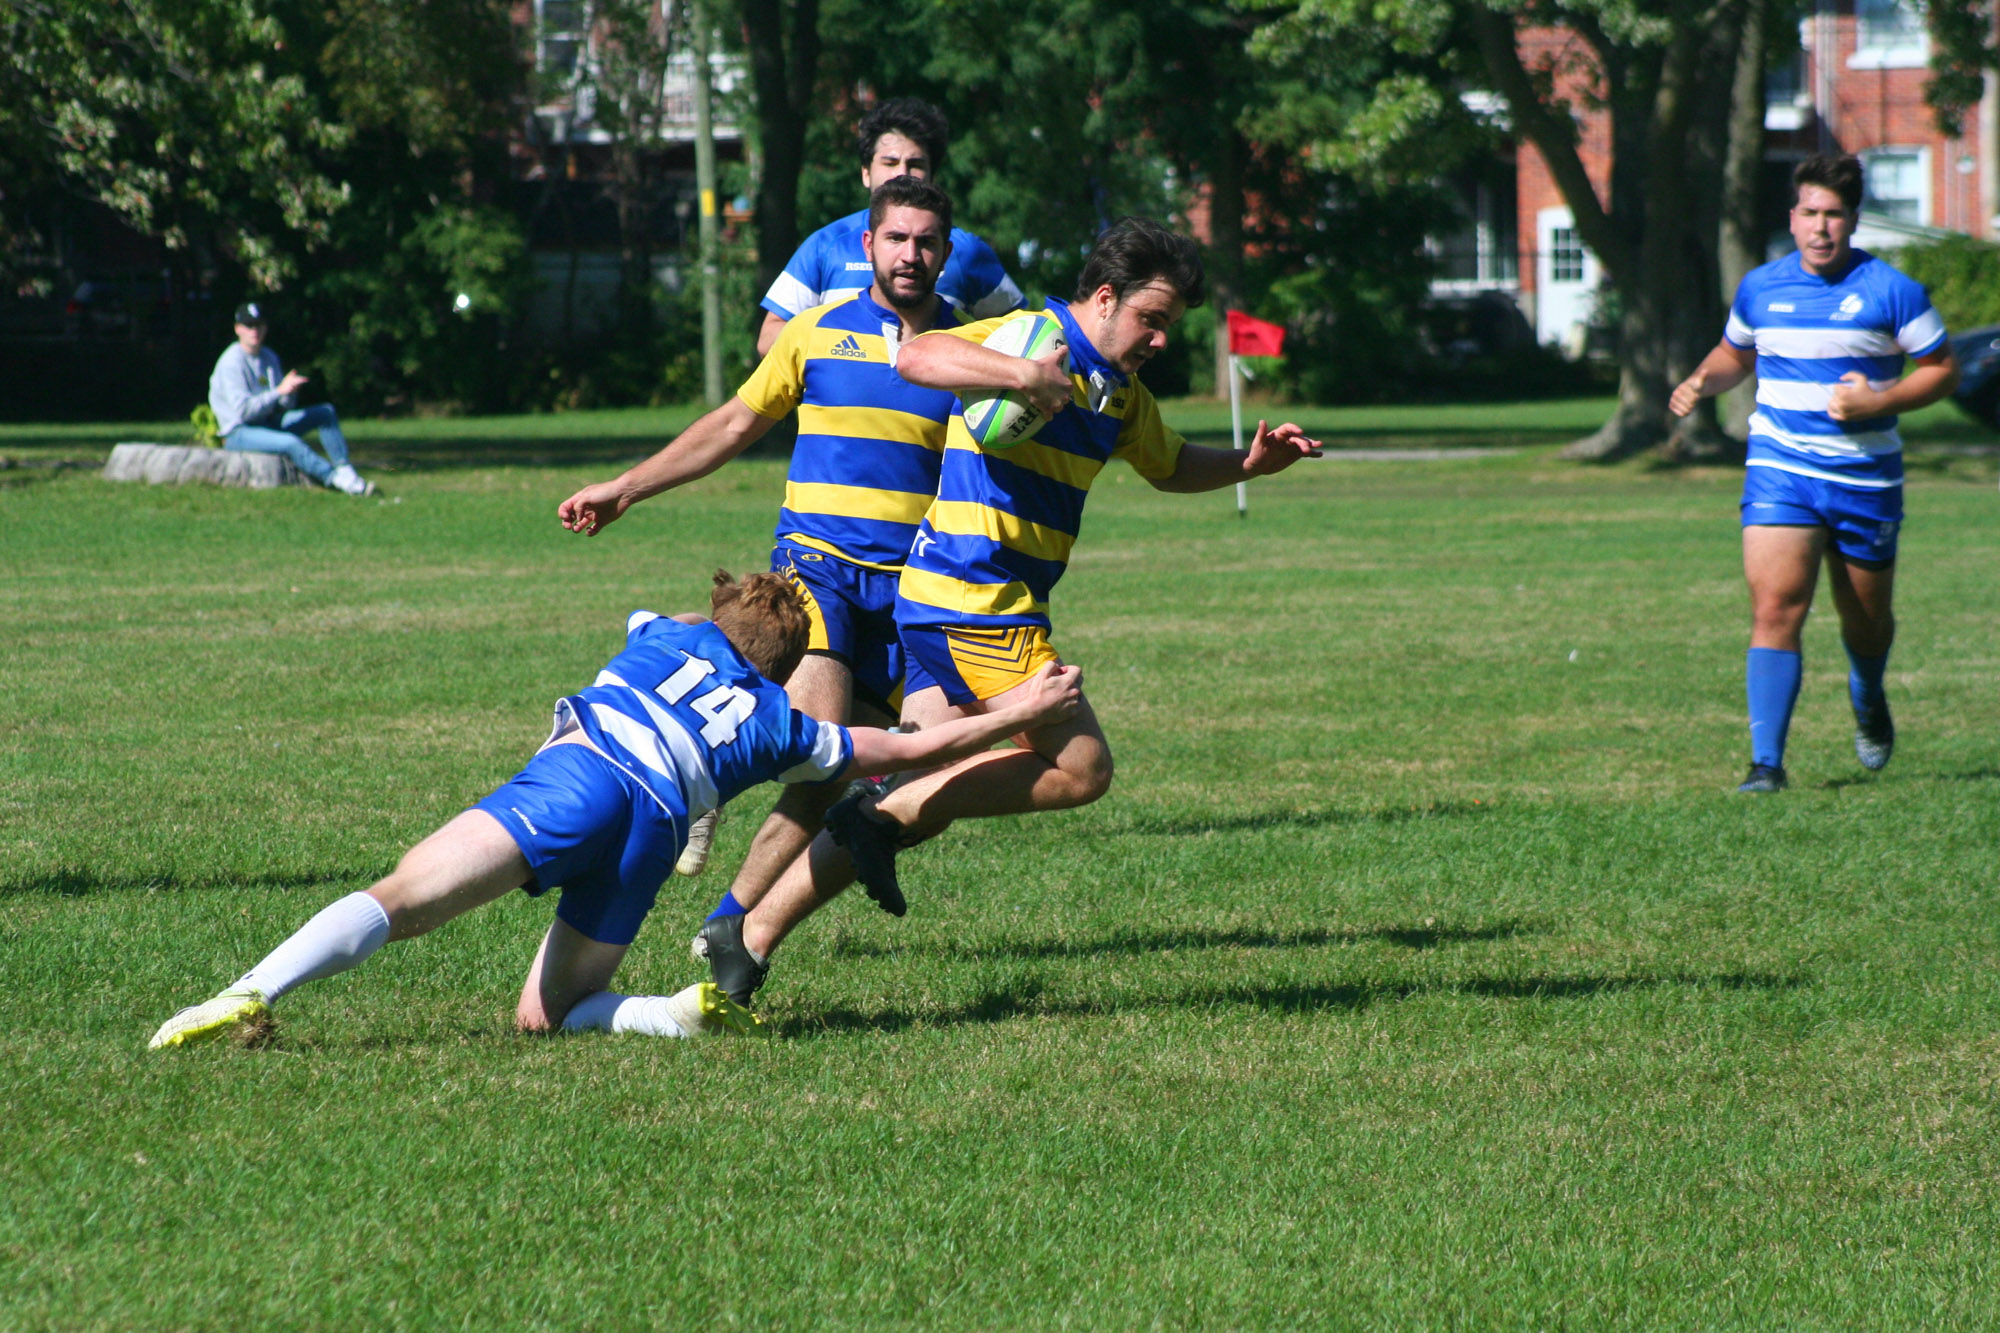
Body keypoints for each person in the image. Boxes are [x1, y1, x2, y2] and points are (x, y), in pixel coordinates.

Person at [693, 215, 1322, 1011]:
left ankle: (743, 936)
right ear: (1103, 298)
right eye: (1150, 319)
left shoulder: (1118, 393)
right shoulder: (1033, 335)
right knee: (1079, 767)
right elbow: (917, 354)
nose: (1160, 339)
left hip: (960, 599)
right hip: (976, 600)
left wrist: (1249, 463)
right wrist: (1023, 378)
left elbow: (1168, 465)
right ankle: (879, 809)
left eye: (1168, 325)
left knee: (925, 789)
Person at [149, 571, 1082, 1049]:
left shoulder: (662, 631)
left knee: (402, 898)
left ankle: (246, 992)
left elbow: (669, 619)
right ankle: (673, 1011)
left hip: (583, 779)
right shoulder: (779, 722)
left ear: (717, 616)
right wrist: (1025, 711)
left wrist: (728, 608)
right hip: (653, 832)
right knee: (541, 1015)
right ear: (785, 663)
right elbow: (911, 749)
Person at [559, 177, 968, 916]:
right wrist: (625, 488)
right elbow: (730, 427)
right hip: (820, 571)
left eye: (927, 241)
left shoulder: (972, 351)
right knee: (818, 758)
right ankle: (729, 905)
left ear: (946, 252)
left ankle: (726, 922)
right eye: (898, 238)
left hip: (915, 589)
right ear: (869, 243)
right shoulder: (815, 333)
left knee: (901, 773)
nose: (911, 254)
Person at [1670, 155, 1959, 793]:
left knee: (1865, 621)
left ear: (1853, 220)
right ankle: (1766, 765)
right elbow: (1733, 353)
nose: (1821, 227)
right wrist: (1701, 379)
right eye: (1810, 213)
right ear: (1792, 217)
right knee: (1775, 606)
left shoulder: (1893, 291)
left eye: (1833, 214)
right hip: (1782, 469)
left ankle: (1868, 692)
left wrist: (1880, 401)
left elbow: (1942, 368)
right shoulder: (1761, 287)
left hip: (1863, 479)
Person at [756, 98, 1021, 357]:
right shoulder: (826, 245)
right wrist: (843, 350)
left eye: (915, 164)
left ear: (933, 175)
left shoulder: (967, 251)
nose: (901, 173)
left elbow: (1021, 337)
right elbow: (768, 339)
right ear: (866, 173)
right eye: (890, 163)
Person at [207, 302, 375, 496]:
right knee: (290, 442)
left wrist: (289, 393)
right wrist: (278, 391)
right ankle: (334, 479)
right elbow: (243, 411)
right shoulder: (231, 362)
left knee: (325, 412)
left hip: (267, 423)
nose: (255, 331)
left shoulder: (269, 357)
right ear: (238, 329)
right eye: (249, 325)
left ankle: (344, 468)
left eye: (259, 325)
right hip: (238, 432)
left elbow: (282, 407)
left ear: (265, 328)